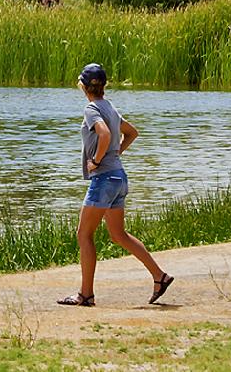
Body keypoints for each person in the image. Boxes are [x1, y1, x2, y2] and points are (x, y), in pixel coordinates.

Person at [59, 64, 174, 307]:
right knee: (118, 234)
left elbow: (103, 134)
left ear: (82, 86)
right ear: (104, 86)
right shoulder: (110, 107)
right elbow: (132, 132)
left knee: (84, 234)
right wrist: (116, 154)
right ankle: (159, 276)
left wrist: (97, 160)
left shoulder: (91, 109)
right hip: (119, 177)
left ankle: (85, 295)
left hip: (103, 179)